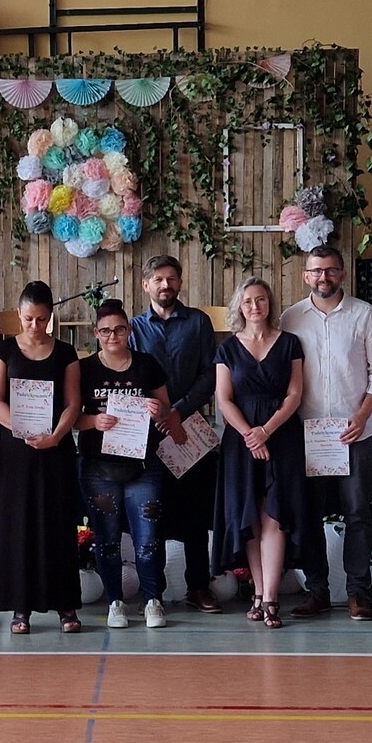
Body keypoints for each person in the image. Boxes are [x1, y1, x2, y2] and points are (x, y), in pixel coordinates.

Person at [281, 243, 372, 620]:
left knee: (357, 510)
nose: (323, 277)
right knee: (309, 512)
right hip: (308, 432)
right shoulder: (291, 318)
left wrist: (362, 416)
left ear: (342, 273)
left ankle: (358, 591)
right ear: (305, 276)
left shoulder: (365, 314)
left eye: (330, 270)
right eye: (316, 270)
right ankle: (316, 589)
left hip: (354, 432)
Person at [0, 280, 85, 634]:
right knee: (18, 526)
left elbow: (73, 403)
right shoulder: (3, 351)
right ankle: (20, 607)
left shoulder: (66, 353)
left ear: (50, 317)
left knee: (58, 524)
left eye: (41, 319)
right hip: (17, 451)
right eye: (28, 319)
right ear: (19, 314)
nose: (34, 326)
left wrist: (55, 436)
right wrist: (24, 429)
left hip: (55, 449)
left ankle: (65, 606)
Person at [131, 255, 222, 613]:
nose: (165, 285)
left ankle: (198, 586)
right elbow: (131, 377)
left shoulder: (198, 322)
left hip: (190, 431)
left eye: (171, 278)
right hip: (150, 433)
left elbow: (209, 374)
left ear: (180, 283)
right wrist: (160, 415)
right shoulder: (134, 328)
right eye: (158, 279)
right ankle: (153, 591)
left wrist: (178, 412)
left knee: (195, 513)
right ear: (146, 285)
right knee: (151, 512)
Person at [216, 278, 308, 627]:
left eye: (261, 300)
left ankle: (271, 598)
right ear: (239, 307)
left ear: (270, 304)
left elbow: (295, 394)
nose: (255, 306)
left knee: (275, 513)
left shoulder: (289, 343)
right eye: (248, 301)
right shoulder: (227, 348)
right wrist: (249, 435)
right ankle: (258, 592)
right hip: (240, 441)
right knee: (249, 517)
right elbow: (223, 399)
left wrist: (266, 431)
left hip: (281, 436)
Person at [77, 299, 172, 628]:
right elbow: (71, 417)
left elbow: (166, 408)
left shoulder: (146, 364)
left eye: (119, 329)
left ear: (129, 330)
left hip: (142, 466)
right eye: (105, 331)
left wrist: (157, 411)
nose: (112, 336)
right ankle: (115, 602)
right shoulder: (85, 369)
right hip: (98, 467)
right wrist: (94, 421)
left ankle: (152, 600)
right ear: (96, 333)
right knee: (107, 540)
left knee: (148, 540)